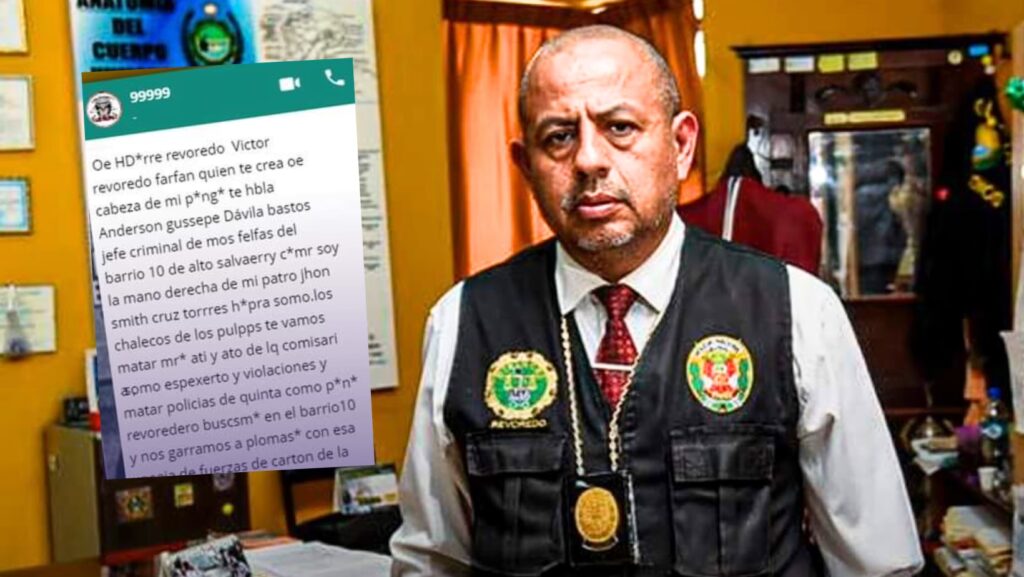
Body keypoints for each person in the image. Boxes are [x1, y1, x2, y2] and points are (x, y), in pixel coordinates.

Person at [390, 25, 923, 577]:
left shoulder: (797, 311)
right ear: (527, 166)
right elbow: (431, 561)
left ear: (681, 144)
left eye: (619, 128)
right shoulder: (463, 322)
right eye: (559, 137)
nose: (589, 160)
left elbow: (876, 562)